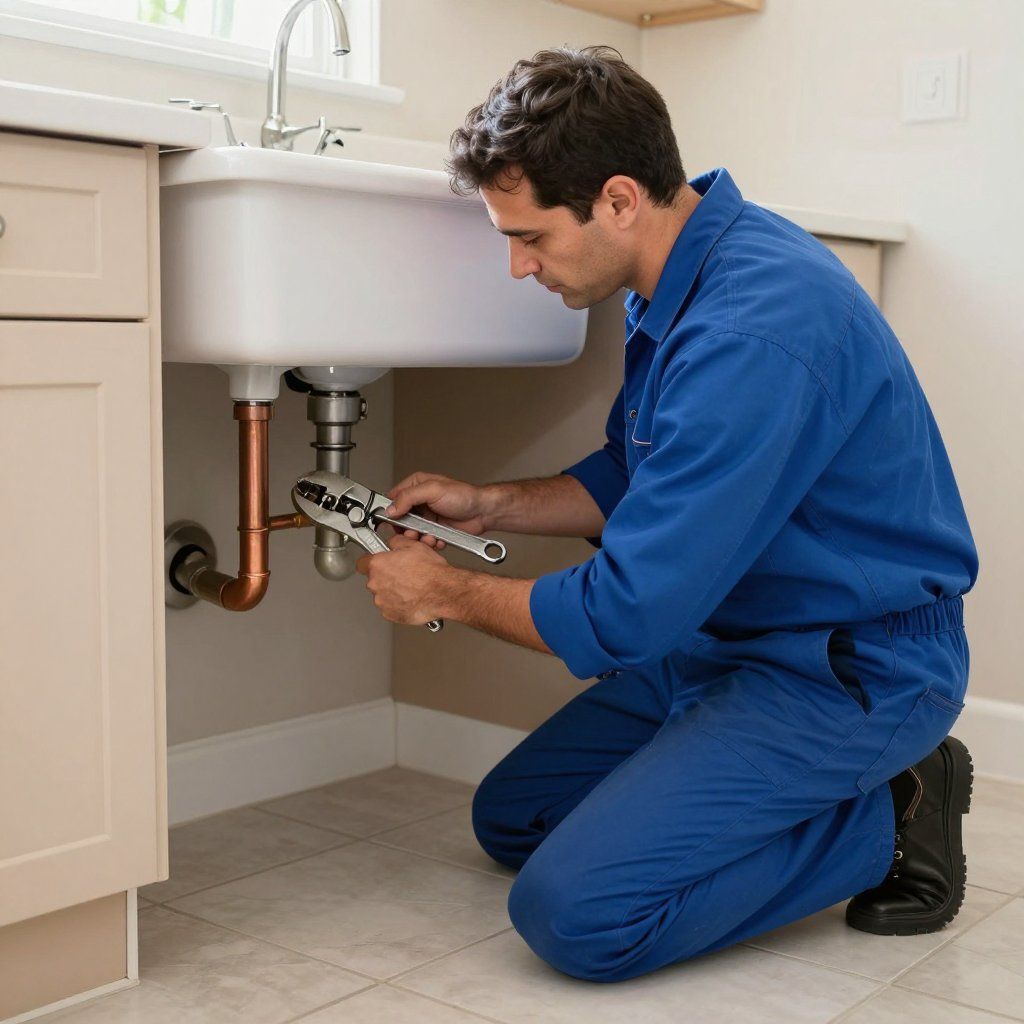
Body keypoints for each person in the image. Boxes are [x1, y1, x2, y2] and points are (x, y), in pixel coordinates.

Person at [353, 45, 979, 983]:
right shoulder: (689, 268)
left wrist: (443, 592)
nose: (520, 267)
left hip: (846, 667)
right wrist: (491, 504)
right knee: (513, 818)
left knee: (577, 914)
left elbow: (625, 614)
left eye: (530, 237)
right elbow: (633, 471)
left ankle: (892, 808)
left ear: (616, 199)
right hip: (724, 639)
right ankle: (768, 788)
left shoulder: (752, 329)